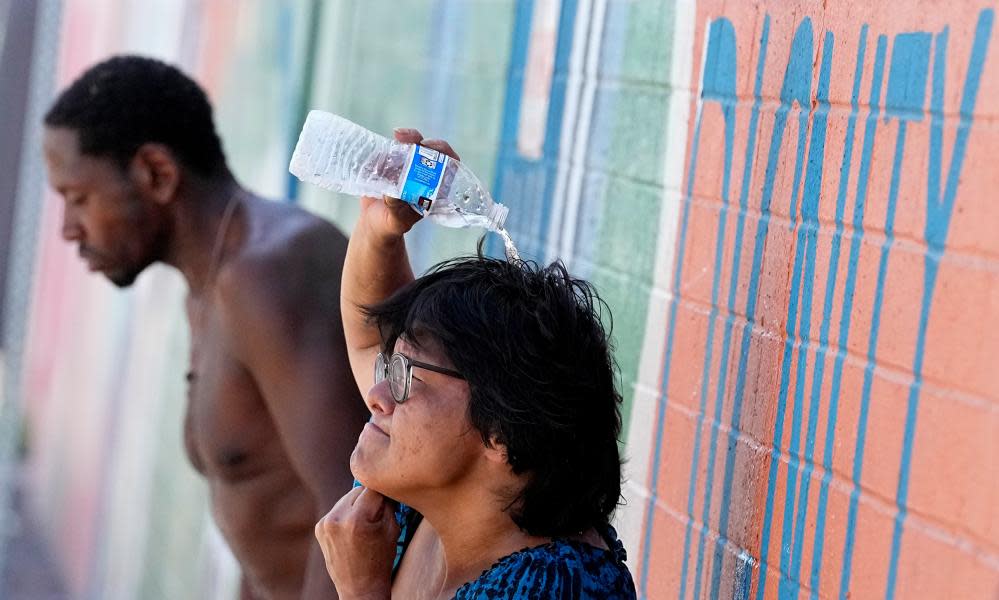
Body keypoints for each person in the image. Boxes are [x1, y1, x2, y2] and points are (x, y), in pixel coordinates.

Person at [42, 55, 367, 600]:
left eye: (79, 198)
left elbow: (353, 505)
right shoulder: (211, 282)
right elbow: (267, 513)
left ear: (156, 174)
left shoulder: (265, 277)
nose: (68, 229)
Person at [314, 130, 637, 599]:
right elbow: (370, 337)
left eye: (403, 378)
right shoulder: (432, 500)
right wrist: (380, 230)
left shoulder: (555, 589)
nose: (376, 395)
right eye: (392, 369)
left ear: (500, 434)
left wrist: (362, 590)